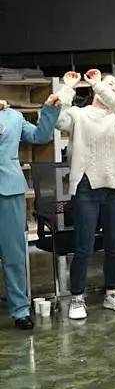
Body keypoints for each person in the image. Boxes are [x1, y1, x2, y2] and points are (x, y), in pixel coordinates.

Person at [56, 69, 115, 320]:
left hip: (114, 187)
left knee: (114, 244)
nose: (112, 91)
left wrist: (101, 85)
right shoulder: (79, 114)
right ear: (93, 90)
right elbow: (59, 121)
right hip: (86, 188)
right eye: (109, 86)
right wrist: (68, 88)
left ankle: (112, 293)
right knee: (84, 246)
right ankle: (77, 297)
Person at [0, 89, 60, 330]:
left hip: (9, 189)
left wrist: (50, 109)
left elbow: (40, 136)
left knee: (14, 254)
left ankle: (20, 310)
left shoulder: (13, 116)